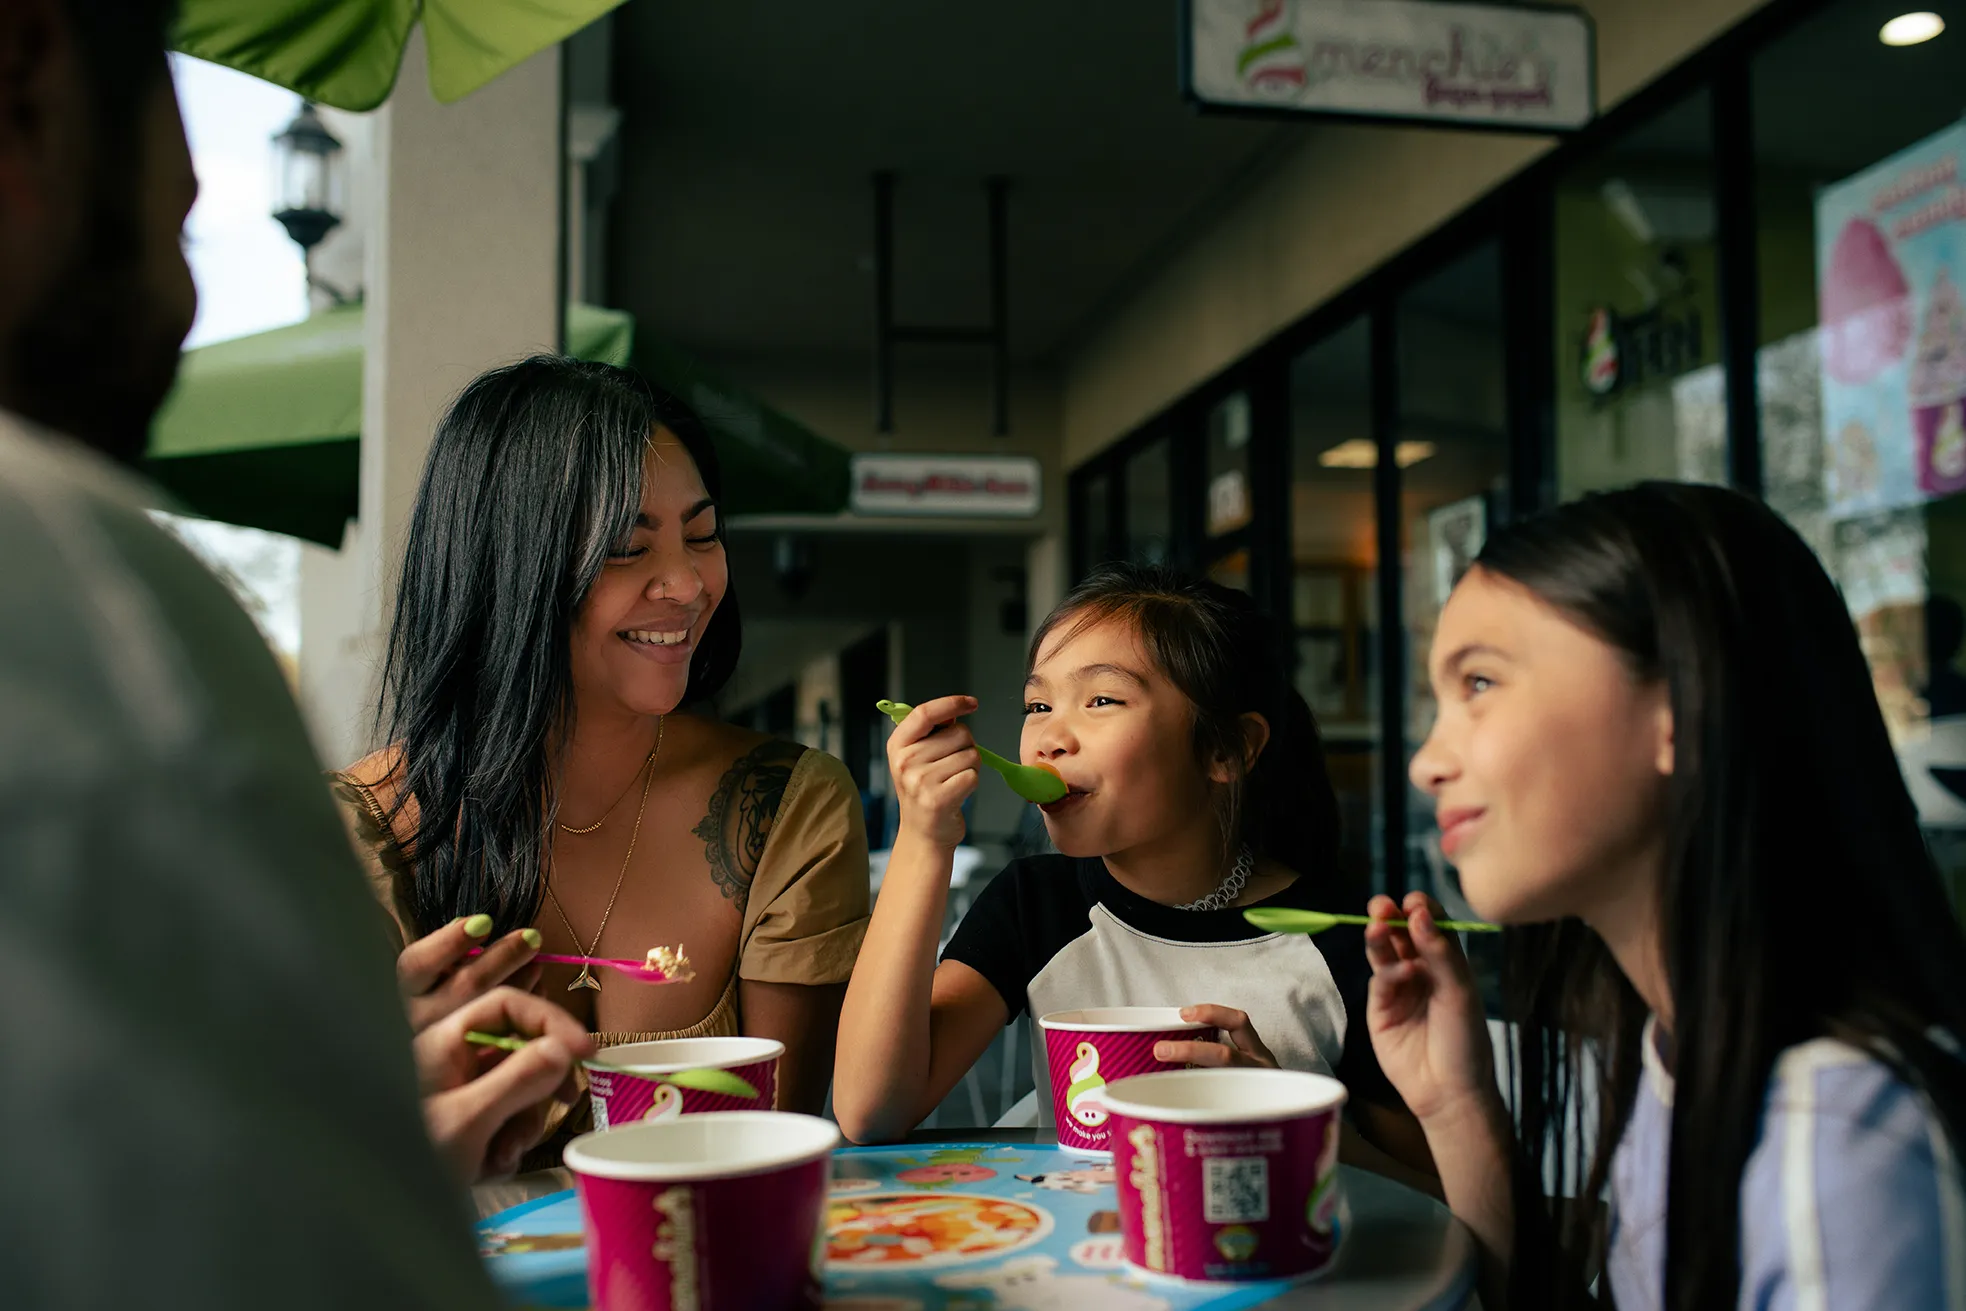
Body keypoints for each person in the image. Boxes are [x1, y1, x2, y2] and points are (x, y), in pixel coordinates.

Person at [0, 0, 577, 1303]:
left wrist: (342, 1102)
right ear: (29, 76)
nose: (195, 185)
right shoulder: (73, 593)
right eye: (157, 95)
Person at [1367, 482, 1966, 1310]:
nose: (1426, 761)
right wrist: (1457, 1103)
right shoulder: (1675, 1051)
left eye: (1478, 682)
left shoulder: (1844, 1138)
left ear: (1680, 706)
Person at [334, 356, 869, 1142]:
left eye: (703, 535)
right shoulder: (354, 836)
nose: (686, 585)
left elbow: (777, 1148)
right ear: (508, 564)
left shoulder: (784, 810)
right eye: (628, 547)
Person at [834, 563, 1434, 1184]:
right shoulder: (1035, 903)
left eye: (1101, 699)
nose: (1048, 738)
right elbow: (872, 1110)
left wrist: (1288, 1119)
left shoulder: (1349, 939)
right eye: (1037, 704)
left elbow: (1436, 1198)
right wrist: (923, 840)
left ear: (1225, 749)